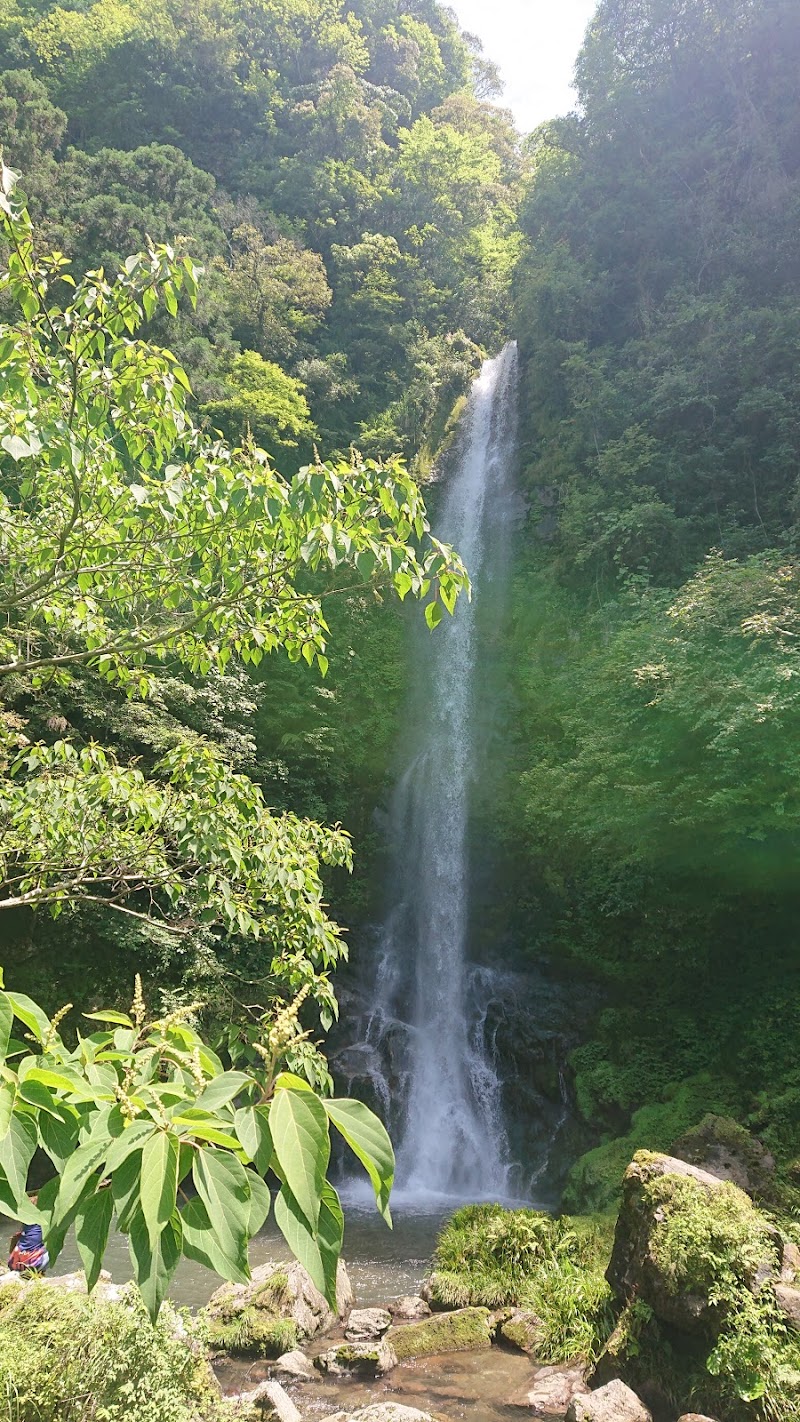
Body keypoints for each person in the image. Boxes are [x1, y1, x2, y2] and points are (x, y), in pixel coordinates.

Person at [8, 1199, 49, 1275]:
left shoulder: (26, 1223)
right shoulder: (43, 1223)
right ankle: (39, 1272)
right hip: (32, 1266)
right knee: (55, 1246)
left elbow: (14, 1241)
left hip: (13, 1265)